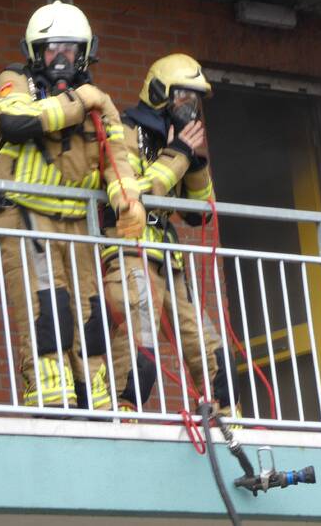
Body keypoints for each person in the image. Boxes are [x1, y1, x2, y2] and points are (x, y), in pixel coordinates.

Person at [0, 0, 146, 409]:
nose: (60, 57)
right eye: (51, 48)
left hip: (76, 225)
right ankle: (49, 391)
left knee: (89, 317)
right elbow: (15, 123)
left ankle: (93, 396)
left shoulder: (100, 103)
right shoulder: (15, 81)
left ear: (84, 53)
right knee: (47, 309)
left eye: (69, 49)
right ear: (35, 53)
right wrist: (78, 102)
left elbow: (117, 159)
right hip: (25, 216)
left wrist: (128, 202)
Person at [100, 53, 233, 415]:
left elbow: (200, 216)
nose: (190, 107)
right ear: (160, 93)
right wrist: (178, 153)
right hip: (130, 249)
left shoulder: (179, 142)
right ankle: (124, 409)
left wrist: (195, 161)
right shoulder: (125, 130)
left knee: (205, 341)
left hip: (168, 261)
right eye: (183, 97)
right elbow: (134, 194)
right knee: (139, 333)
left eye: (196, 100)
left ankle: (223, 412)